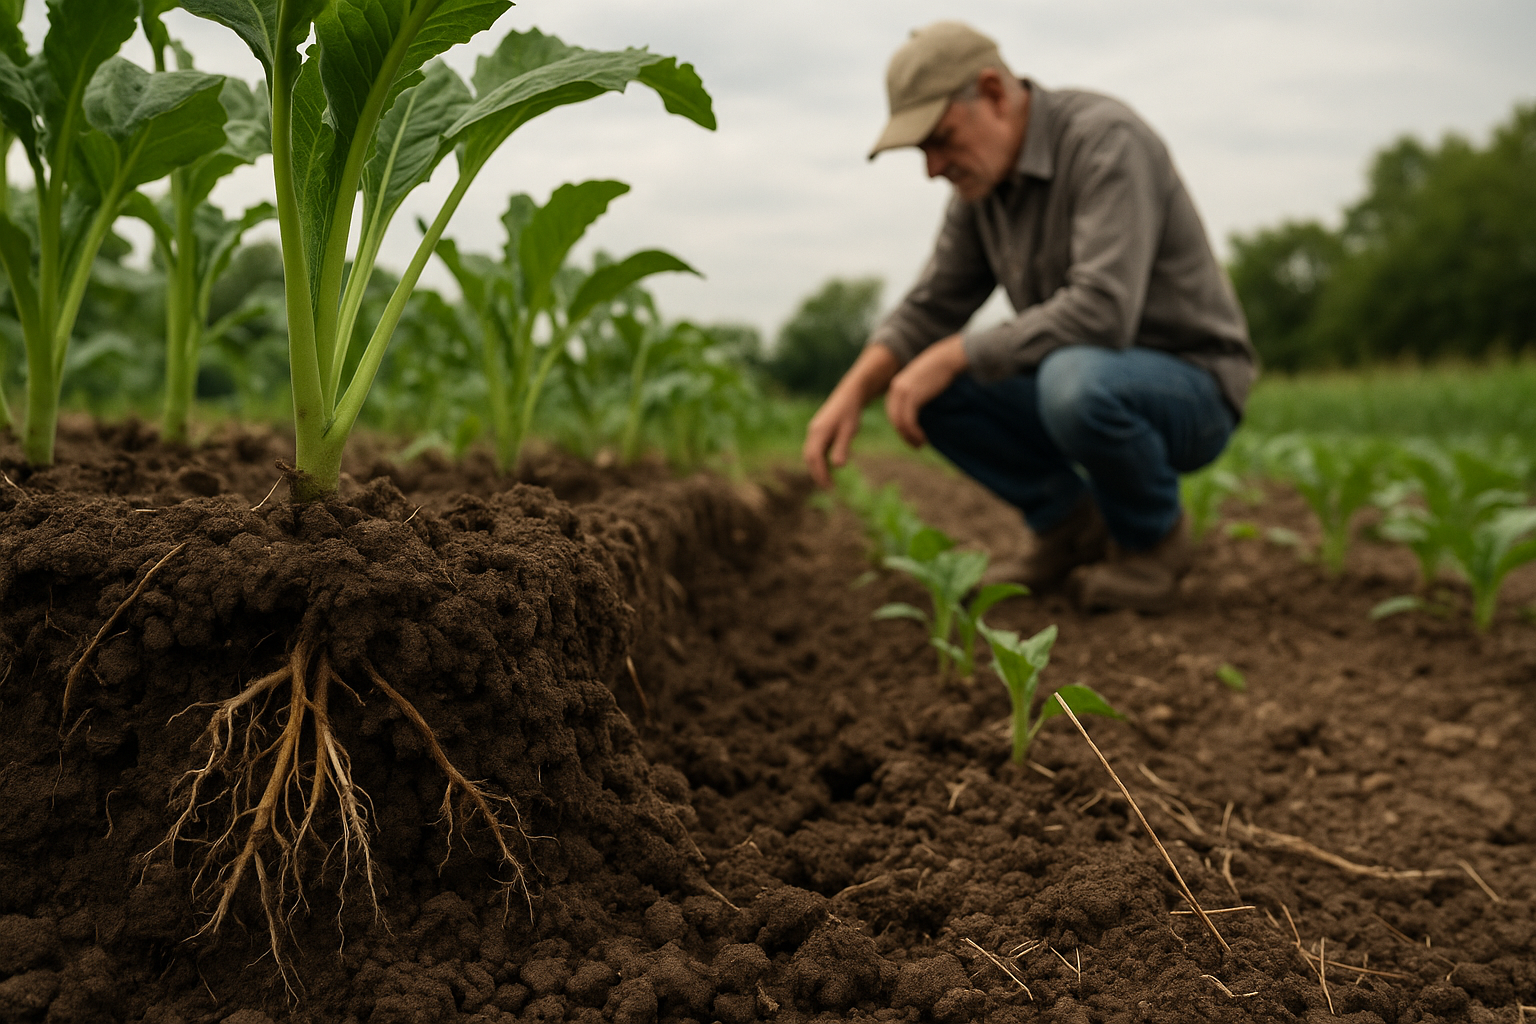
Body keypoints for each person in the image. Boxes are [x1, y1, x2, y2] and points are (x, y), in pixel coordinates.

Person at [802, 21, 1258, 612]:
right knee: (925, 388)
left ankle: (1152, 545)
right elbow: (931, 305)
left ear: (992, 93)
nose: (933, 167)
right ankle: (1072, 530)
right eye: (922, 150)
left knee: (1071, 381)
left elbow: (1102, 310)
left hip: (1192, 387)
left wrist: (955, 352)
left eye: (940, 138)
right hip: (1082, 376)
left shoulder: (1105, 141)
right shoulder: (982, 189)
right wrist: (853, 391)